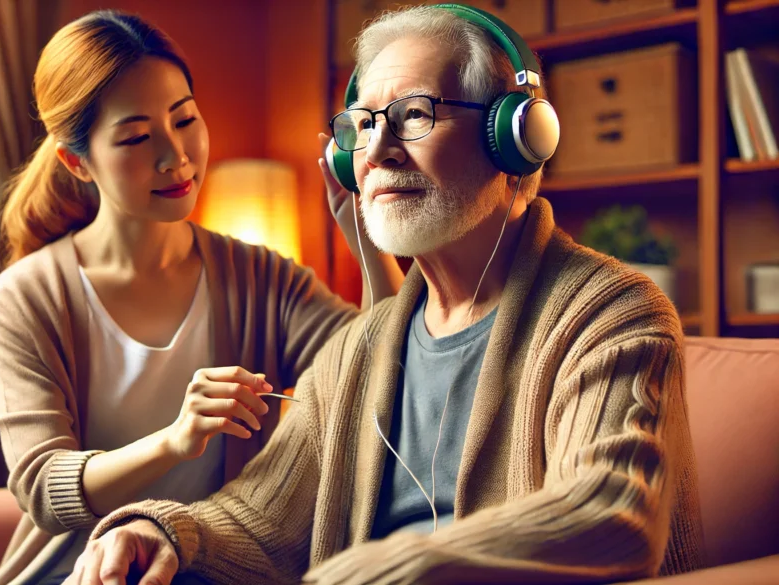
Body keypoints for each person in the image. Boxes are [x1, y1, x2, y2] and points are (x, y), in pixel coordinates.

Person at [69, 5, 706, 585]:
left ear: (511, 136)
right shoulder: (358, 348)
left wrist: (396, 566)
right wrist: (161, 531)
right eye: (364, 124)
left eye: (414, 115)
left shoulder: (613, 312)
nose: (375, 150)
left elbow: (608, 511)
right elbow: (258, 519)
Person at [0, 9, 403, 585]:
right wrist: (176, 440)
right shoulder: (24, 298)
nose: (175, 155)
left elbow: (380, 370)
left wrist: (364, 233)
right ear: (77, 161)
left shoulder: (261, 278)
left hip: (209, 567)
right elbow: (44, 489)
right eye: (135, 136)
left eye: (184, 120)